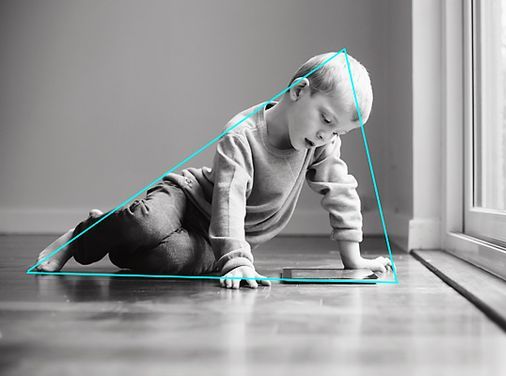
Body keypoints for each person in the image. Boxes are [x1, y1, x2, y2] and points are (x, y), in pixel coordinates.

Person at [35, 51, 392, 289]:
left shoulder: (319, 145)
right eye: (326, 120)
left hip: (217, 237)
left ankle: (113, 229)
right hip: (189, 199)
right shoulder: (243, 135)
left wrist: (353, 259)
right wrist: (237, 260)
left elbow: (340, 191)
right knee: (145, 223)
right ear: (299, 91)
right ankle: (82, 236)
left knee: (168, 259)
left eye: (337, 132)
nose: (326, 136)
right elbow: (229, 198)